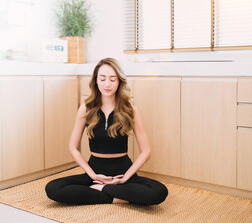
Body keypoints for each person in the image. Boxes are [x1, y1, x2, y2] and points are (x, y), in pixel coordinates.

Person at [45, 57, 168, 205]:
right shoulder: (85, 109)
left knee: (159, 192)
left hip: (123, 173)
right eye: (102, 79)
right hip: (95, 172)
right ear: (96, 81)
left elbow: (146, 151)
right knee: (53, 188)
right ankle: (116, 196)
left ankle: (100, 191)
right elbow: (73, 147)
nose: (107, 84)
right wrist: (92, 175)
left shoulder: (131, 110)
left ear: (119, 81)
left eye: (112, 79)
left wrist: (125, 178)